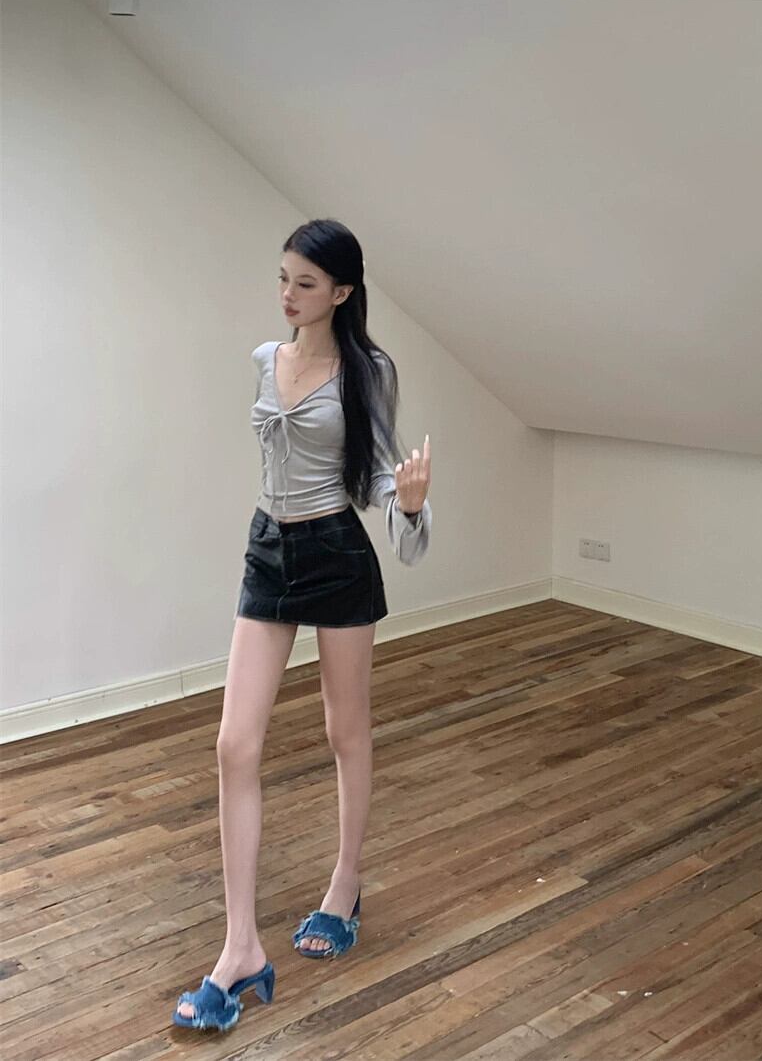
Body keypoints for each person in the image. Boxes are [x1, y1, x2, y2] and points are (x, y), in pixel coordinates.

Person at [172, 218, 432, 1031]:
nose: (287, 295)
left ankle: (344, 887)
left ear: (342, 292)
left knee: (344, 731)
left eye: (306, 284)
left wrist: (410, 504)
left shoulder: (369, 371)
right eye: (283, 278)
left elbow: (382, 475)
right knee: (234, 745)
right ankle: (240, 948)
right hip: (269, 549)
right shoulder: (265, 359)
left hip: (336, 550)